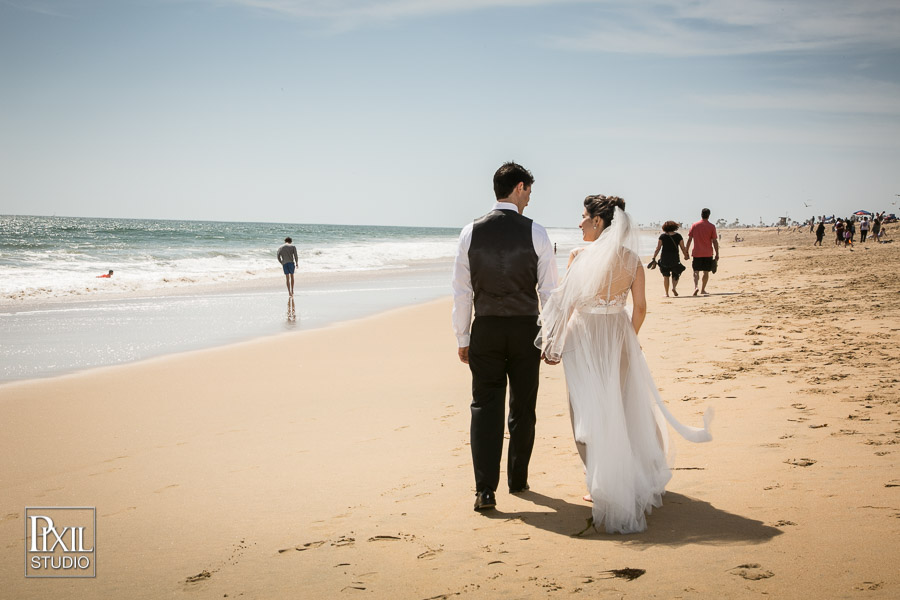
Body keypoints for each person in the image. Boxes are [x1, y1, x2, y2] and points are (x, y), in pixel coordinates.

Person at [537, 195, 712, 534]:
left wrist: (555, 345)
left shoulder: (578, 256)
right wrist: (627, 340)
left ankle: (599, 483)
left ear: (599, 222)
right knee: (622, 406)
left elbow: (566, 306)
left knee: (585, 409)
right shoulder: (632, 260)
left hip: (584, 338)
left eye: (584, 217)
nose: (580, 223)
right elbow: (642, 307)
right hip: (618, 334)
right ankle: (631, 478)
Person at [451, 161, 558, 512]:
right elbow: (550, 293)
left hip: (486, 328)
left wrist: (462, 336)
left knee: (484, 406)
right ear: (520, 187)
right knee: (523, 407)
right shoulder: (537, 232)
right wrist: (552, 337)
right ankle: (518, 478)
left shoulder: (470, 232)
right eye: (529, 190)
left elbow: (462, 290)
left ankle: (485, 490)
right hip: (526, 328)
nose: (530, 198)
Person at [685, 208, 719, 296]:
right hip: (708, 253)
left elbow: (689, 240)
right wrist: (717, 253)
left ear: (701, 214)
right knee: (706, 272)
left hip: (697, 252)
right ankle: (703, 289)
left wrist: (686, 251)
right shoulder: (711, 226)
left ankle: (696, 286)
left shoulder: (695, 225)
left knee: (696, 271)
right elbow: (715, 241)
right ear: (709, 215)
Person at [650, 221, 689, 297]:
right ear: (674, 227)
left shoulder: (662, 236)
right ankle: (674, 288)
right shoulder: (678, 236)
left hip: (664, 258)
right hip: (675, 258)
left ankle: (666, 293)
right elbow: (682, 247)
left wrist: (654, 257)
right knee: (676, 274)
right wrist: (686, 255)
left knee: (666, 276)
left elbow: (658, 248)